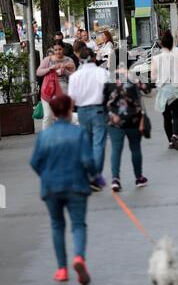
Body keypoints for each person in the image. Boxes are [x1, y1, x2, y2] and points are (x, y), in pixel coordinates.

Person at [31, 95, 96, 285]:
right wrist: (95, 176)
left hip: (51, 187)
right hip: (76, 185)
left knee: (57, 226)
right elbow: (88, 161)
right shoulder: (79, 133)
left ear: (52, 112)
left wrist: (46, 175)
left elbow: (35, 162)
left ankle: (61, 269)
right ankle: (79, 258)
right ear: (69, 111)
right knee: (78, 225)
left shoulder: (44, 136)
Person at [68, 47, 109, 191]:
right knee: (98, 144)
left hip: (82, 112)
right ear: (93, 57)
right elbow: (109, 93)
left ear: (80, 60)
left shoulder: (75, 77)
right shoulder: (102, 73)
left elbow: (71, 99)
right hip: (98, 110)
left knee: (87, 144)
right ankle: (95, 176)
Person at [103, 66, 150, 192]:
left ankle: (115, 179)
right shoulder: (133, 77)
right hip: (133, 119)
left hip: (115, 120)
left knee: (116, 149)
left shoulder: (108, 79)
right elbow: (146, 89)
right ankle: (139, 177)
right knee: (135, 148)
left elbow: (103, 99)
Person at [151, 31, 178, 151]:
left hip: (164, 91)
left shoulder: (156, 58)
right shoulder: (177, 57)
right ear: (172, 44)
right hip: (177, 90)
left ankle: (170, 141)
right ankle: (175, 135)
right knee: (176, 116)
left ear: (161, 44)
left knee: (166, 118)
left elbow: (153, 77)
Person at [37, 40, 75, 129]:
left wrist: (64, 71)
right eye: (56, 50)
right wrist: (50, 69)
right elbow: (38, 72)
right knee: (48, 115)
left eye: (60, 49)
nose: (58, 51)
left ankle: (61, 135)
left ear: (63, 49)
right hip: (48, 90)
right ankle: (45, 137)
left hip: (63, 90)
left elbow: (74, 75)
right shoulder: (48, 60)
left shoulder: (69, 60)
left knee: (62, 116)